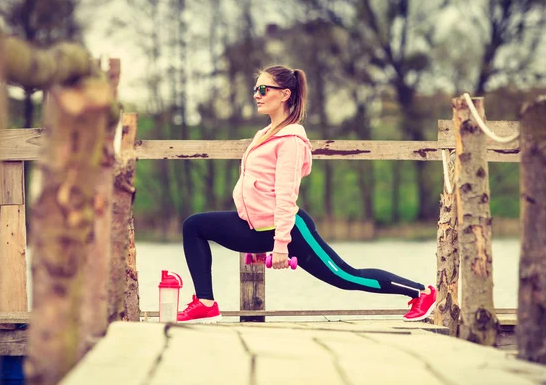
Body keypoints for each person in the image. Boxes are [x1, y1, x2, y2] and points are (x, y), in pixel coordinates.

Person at [177, 65, 437, 324]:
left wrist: (281, 245)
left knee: (345, 277)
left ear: (284, 94)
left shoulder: (291, 139)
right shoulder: (264, 134)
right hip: (254, 225)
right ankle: (205, 303)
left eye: (263, 89)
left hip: (289, 229)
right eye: (255, 89)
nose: (256, 94)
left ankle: (422, 293)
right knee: (195, 226)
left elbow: (286, 193)